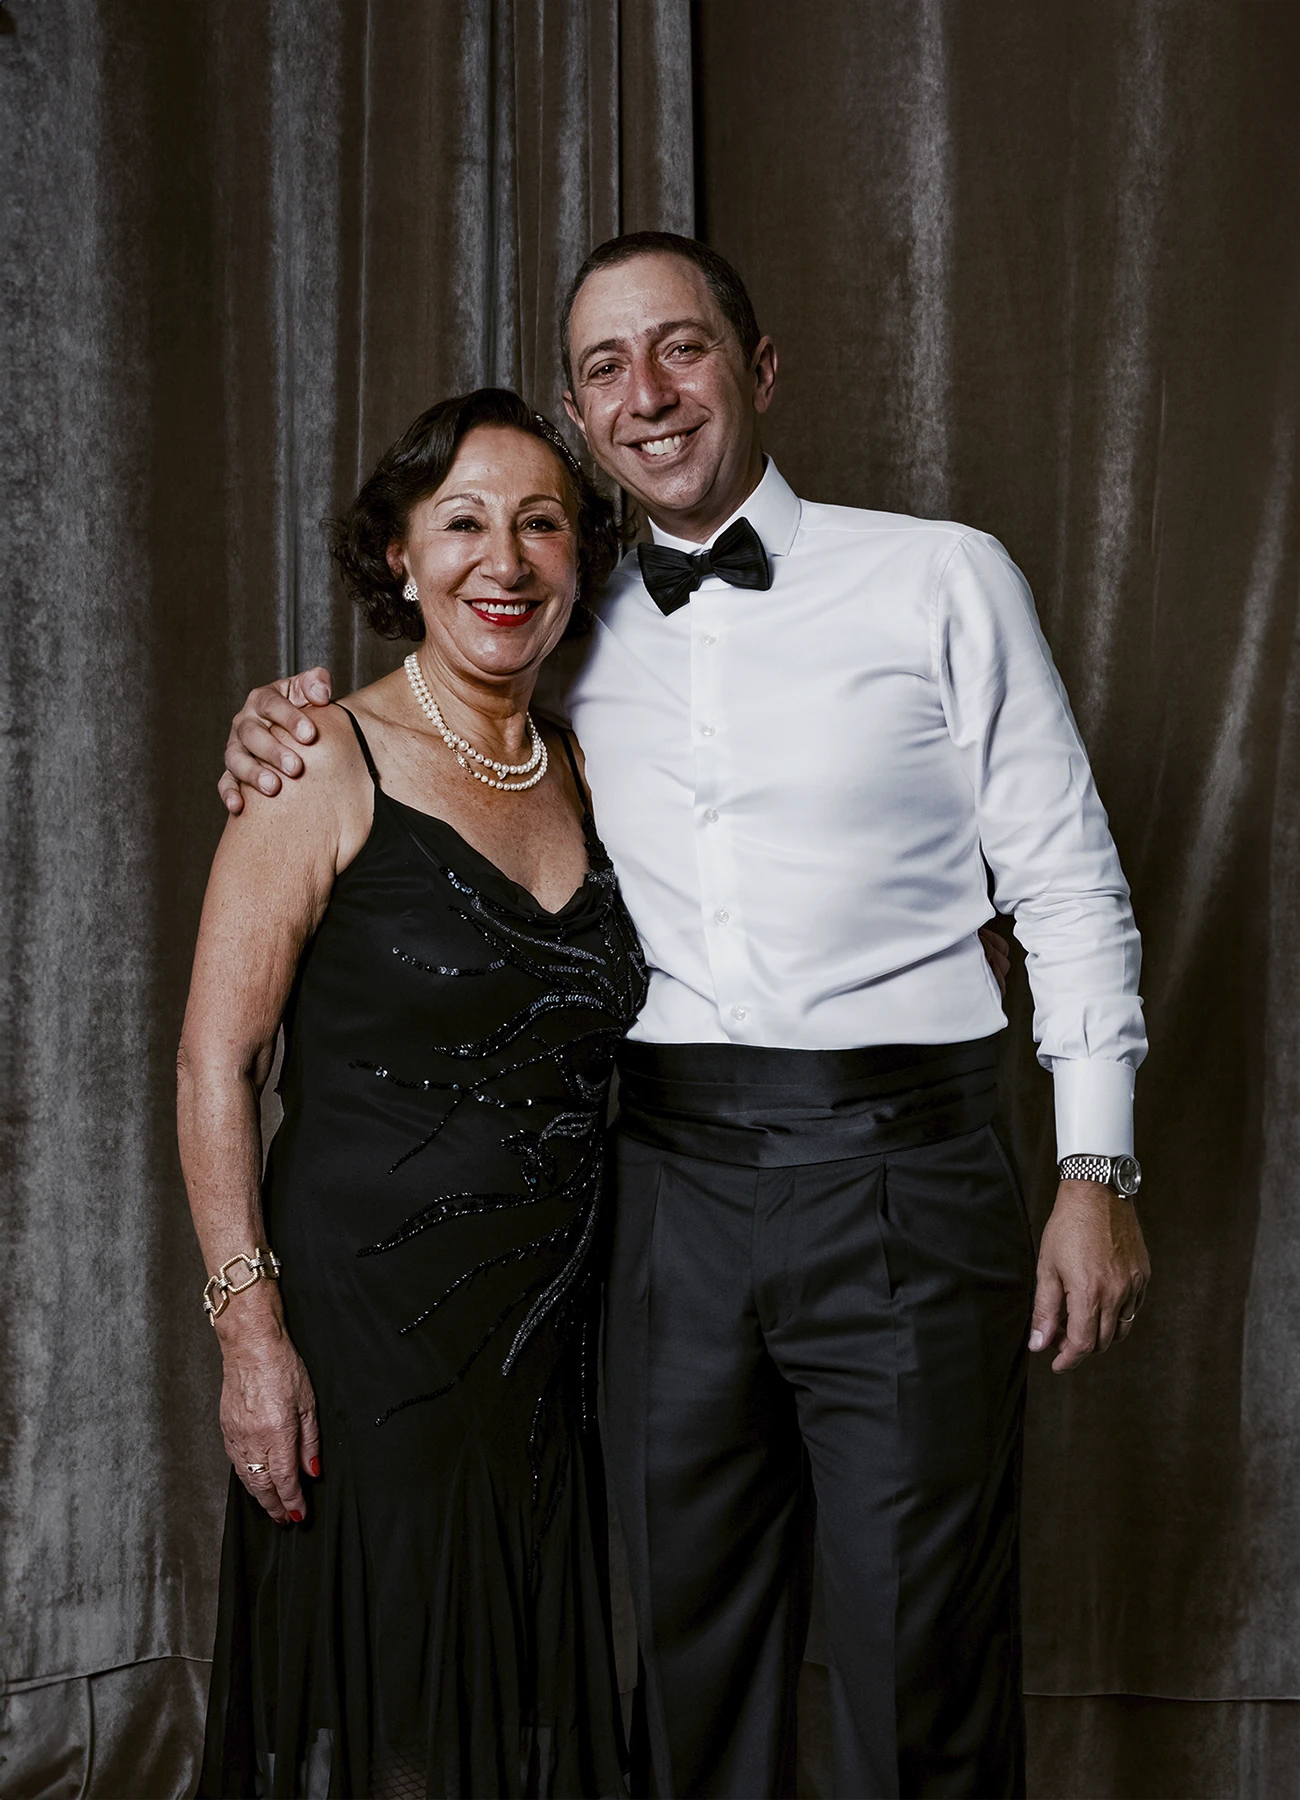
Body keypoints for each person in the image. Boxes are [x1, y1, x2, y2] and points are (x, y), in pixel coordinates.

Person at [220, 233, 1151, 1800]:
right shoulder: (557, 631)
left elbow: (1066, 883)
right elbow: (430, 716)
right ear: (584, 421)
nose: (646, 395)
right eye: (603, 367)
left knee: (915, 1653)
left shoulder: (941, 576)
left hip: (907, 1172)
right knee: (687, 1648)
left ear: (759, 367)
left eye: (682, 349)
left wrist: (1097, 1167)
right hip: (662, 1196)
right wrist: (273, 729)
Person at [177, 387, 648, 1799]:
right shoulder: (319, 757)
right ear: (399, 554)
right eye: (462, 523)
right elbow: (215, 1063)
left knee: (518, 1713)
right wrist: (249, 1338)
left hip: (559, 1336)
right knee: (398, 1721)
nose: (501, 560)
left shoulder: (597, 768)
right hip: (370, 1330)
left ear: (578, 560)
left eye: (540, 524)